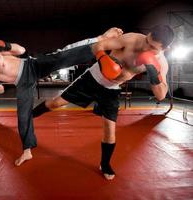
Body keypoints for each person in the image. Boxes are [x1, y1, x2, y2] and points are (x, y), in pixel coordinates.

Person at [0, 27, 123, 166]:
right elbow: (0, 91)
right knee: (23, 116)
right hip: (22, 83)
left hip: (31, 65)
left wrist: (5, 45)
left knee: (62, 56)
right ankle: (27, 151)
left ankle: (100, 41)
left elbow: (21, 50)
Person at [32, 25, 174, 180]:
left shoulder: (162, 63)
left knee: (110, 130)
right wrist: (104, 60)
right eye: (147, 40)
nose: (146, 47)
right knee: (55, 103)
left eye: (152, 47)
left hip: (112, 89)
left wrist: (154, 75)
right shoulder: (132, 39)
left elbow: (160, 95)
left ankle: (105, 164)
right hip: (93, 78)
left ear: (165, 49)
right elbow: (99, 45)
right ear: (148, 35)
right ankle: (29, 116)